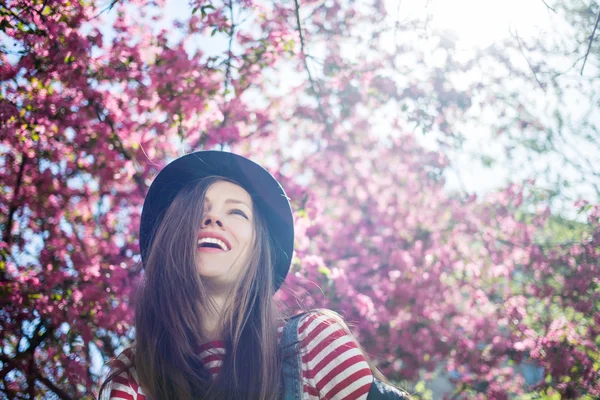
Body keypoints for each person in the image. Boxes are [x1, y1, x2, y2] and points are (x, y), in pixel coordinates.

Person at [98, 151, 408, 400]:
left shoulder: (311, 343)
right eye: (196, 209)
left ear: (257, 252)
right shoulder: (133, 379)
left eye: (236, 212)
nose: (213, 218)